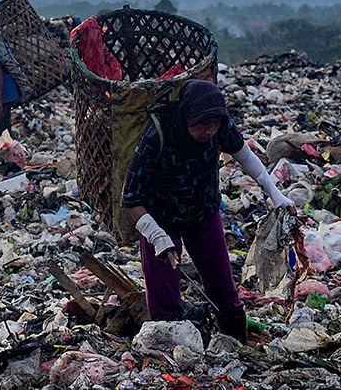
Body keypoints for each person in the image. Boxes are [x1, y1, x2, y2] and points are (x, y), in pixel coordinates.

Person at [121, 79, 293, 344]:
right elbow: (131, 197)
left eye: (212, 125)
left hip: (203, 210)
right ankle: (171, 352)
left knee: (222, 282)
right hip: (161, 215)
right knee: (164, 290)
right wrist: (156, 236)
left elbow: (244, 155)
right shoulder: (158, 134)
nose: (207, 131)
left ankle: (234, 340)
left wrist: (276, 194)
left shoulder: (220, 126)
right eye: (201, 125)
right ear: (187, 116)